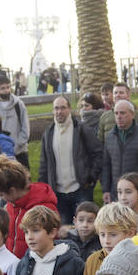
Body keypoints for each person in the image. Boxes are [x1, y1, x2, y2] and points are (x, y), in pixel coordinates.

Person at [40, 95, 103, 223]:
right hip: (58, 193)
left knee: (85, 229)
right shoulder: (49, 132)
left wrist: (90, 178)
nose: (59, 111)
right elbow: (44, 163)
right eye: (56, 108)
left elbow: (98, 154)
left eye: (63, 108)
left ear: (69, 109)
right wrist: (44, 187)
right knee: (64, 231)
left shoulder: (81, 129)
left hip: (81, 189)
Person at [0, 156, 58, 259]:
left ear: (12, 191)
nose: (2, 199)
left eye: (2, 195)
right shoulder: (11, 206)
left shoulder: (43, 207)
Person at [0, 75, 31, 168]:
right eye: (2, 88)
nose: (6, 90)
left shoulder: (19, 105)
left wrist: (17, 146)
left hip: (20, 152)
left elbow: (25, 128)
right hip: (1, 155)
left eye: (8, 87)